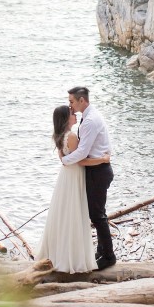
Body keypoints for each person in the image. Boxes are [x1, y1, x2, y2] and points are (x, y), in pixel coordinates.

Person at [36, 104, 110, 273]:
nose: (75, 114)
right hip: (74, 175)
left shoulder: (59, 136)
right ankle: (72, 256)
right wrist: (103, 159)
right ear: (66, 118)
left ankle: (58, 251)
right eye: (71, 113)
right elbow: (81, 160)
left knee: (64, 212)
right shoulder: (71, 137)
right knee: (74, 213)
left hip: (66, 177)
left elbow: (66, 158)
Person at [61, 86, 116, 269]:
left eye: (71, 101)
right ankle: (101, 251)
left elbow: (83, 151)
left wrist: (65, 160)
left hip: (99, 171)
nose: (70, 105)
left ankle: (108, 256)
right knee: (97, 212)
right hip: (97, 169)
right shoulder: (89, 116)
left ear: (81, 100)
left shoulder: (90, 120)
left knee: (97, 215)